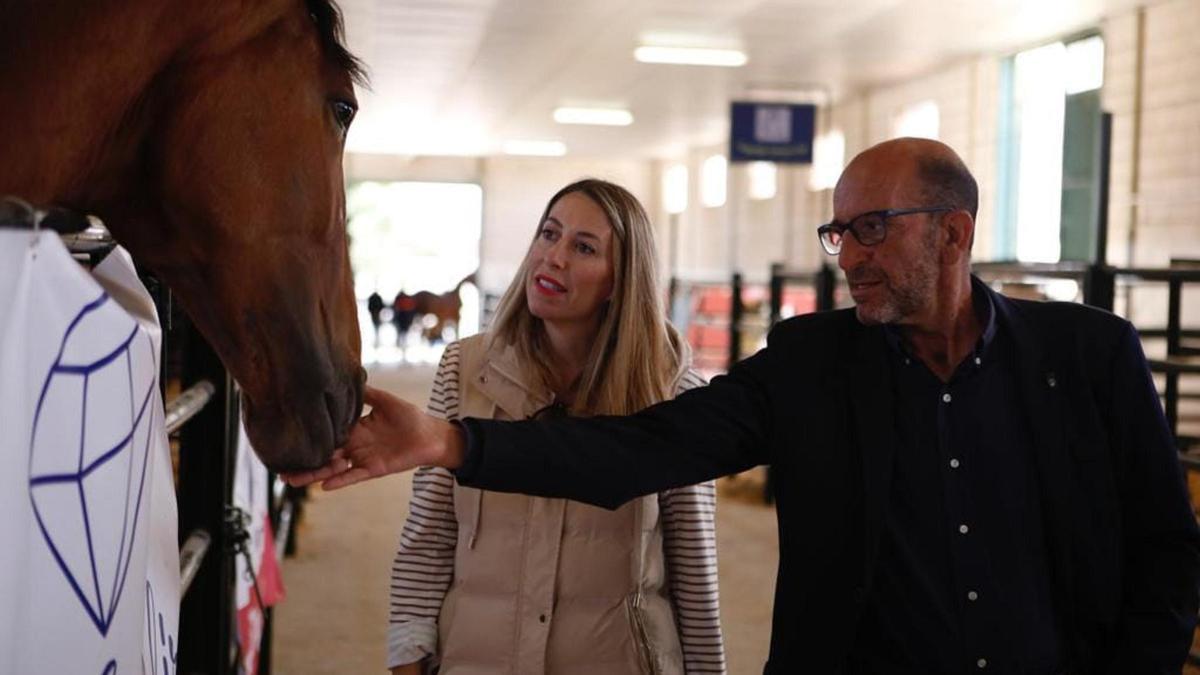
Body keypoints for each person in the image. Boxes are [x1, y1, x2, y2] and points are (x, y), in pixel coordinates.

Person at [290, 139, 1200, 674]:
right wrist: (451, 440)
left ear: (953, 232)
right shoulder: (812, 363)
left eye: (871, 229)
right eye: (838, 231)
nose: (847, 255)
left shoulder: (1088, 356)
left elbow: (1166, 547)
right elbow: (638, 451)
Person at [384, 179, 726, 674]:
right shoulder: (463, 370)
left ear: (620, 280)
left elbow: (696, 575)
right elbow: (428, 537)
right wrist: (408, 656)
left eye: (583, 247)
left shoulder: (674, 394)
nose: (554, 257)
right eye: (549, 234)